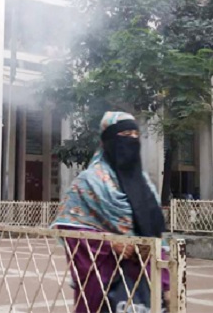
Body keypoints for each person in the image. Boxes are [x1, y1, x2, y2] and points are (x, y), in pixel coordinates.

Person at [52, 112, 168, 313]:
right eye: (124, 134)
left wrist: (165, 281)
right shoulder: (88, 182)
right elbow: (69, 229)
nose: (131, 140)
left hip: (147, 282)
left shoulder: (145, 183)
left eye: (135, 135)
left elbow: (158, 235)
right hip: (104, 285)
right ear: (108, 142)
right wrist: (109, 243)